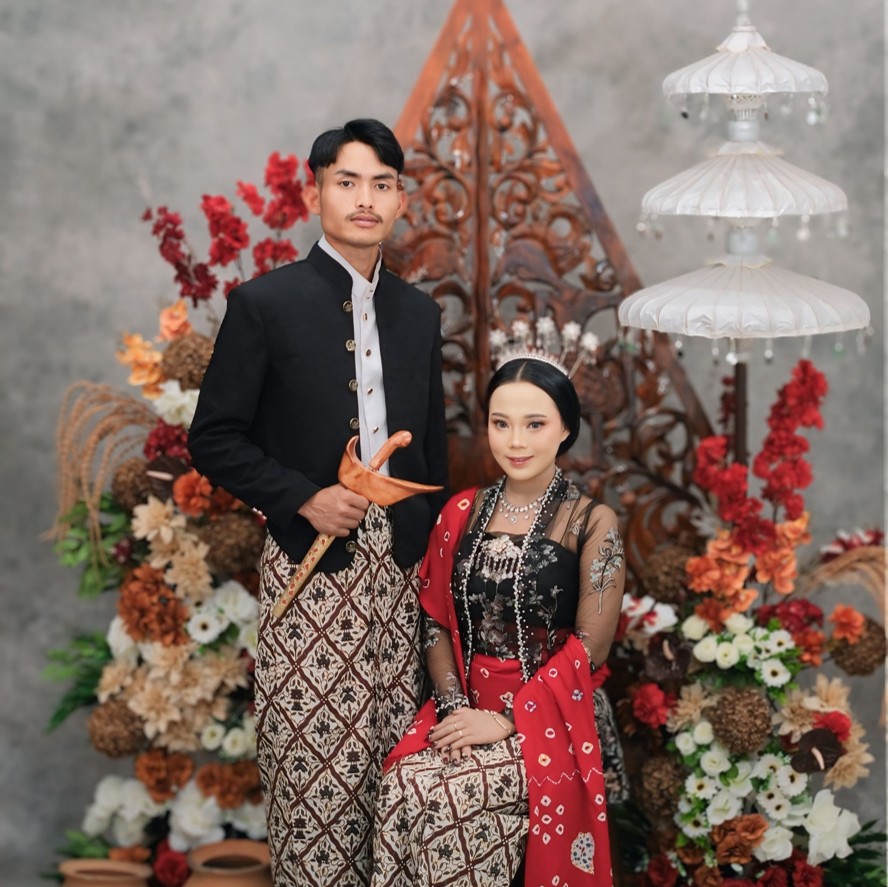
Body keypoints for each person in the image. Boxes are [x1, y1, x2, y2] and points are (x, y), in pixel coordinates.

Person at [188, 118, 450, 886]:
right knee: (316, 784)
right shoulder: (263, 304)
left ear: (400, 200)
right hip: (311, 573)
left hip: (400, 579)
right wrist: (303, 497)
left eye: (382, 184)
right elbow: (214, 437)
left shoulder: (420, 315)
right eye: (347, 181)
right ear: (314, 195)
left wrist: (428, 562)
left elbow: (432, 451)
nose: (365, 198)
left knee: (399, 789)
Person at [371, 354, 627, 887]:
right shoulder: (461, 512)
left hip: (553, 713)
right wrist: (455, 710)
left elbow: (591, 648)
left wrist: (509, 719)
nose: (515, 441)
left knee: (441, 796)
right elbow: (435, 620)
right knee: (400, 785)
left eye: (535, 424)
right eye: (501, 423)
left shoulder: (591, 522)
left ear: (566, 428)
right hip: (465, 704)